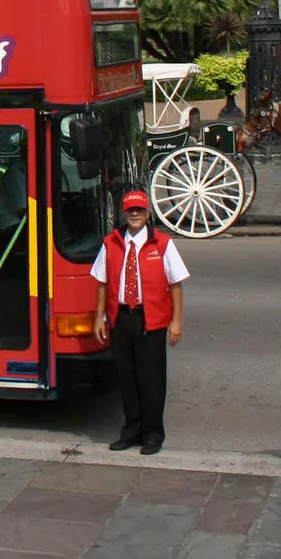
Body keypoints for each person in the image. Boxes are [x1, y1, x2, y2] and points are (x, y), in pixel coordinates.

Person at [91, 188, 189, 456]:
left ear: (148, 214)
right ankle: (131, 431)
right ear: (124, 213)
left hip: (151, 320)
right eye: (130, 210)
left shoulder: (163, 244)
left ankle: (153, 434)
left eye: (140, 210)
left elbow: (176, 285)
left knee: (152, 381)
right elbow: (102, 283)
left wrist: (176, 321)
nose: (135, 215)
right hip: (121, 318)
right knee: (127, 379)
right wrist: (99, 317)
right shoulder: (111, 243)